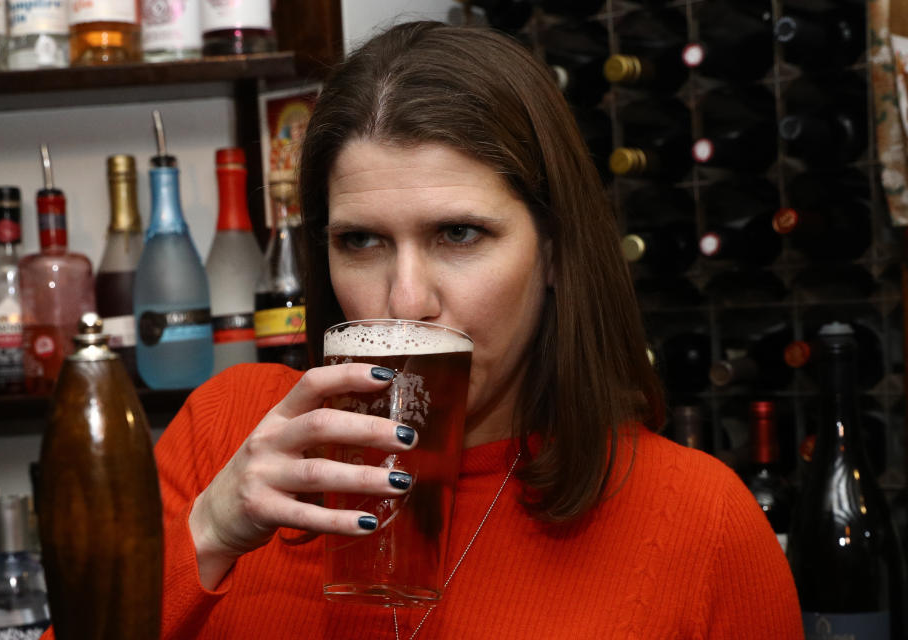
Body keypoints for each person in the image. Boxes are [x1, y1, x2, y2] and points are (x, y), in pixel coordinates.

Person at [92, 21, 805, 639]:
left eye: (458, 233)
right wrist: (208, 535)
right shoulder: (229, 433)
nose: (406, 299)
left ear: (554, 249)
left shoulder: (698, 520)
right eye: (361, 241)